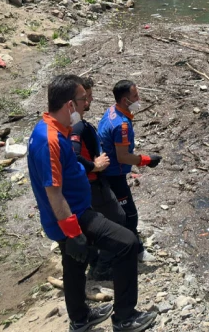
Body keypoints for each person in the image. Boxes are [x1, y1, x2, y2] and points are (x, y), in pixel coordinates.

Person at [27, 74, 156, 332]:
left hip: (68, 215)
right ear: (69, 105)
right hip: (72, 216)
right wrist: (74, 233)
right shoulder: (50, 140)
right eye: (83, 99)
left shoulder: (51, 129)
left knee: (74, 264)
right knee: (127, 243)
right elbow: (54, 193)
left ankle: (80, 318)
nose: (87, 103)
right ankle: (125, 318)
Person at [98, 80, 162, 262]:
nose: (139, 98)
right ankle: (135, 251)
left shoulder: (111, 111)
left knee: (115, 212)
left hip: (106, 170)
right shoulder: (122, 125)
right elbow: (123, 156)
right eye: (135, 96)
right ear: (125, 100)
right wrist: (146, 160)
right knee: (129, 215)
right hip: (113, 174)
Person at [70, 76, 126, 281]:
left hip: (91, 181)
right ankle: (103, 266)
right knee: (117, 219)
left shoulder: (76, 124)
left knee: (97, 221)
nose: (90, 101)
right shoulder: (76, 127)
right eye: (87, 97)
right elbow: (73, 155)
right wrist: (95, 165)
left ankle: (94, 259)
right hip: (93, 183)